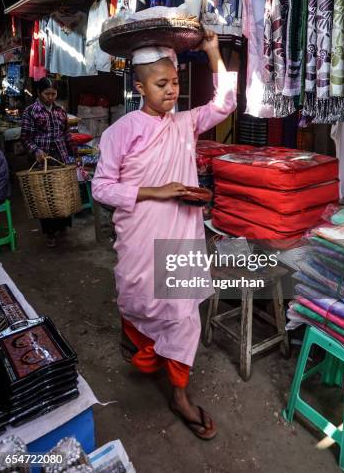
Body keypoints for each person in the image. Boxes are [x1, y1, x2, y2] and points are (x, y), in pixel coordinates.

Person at [92, 31, 237, 439]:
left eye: (174, 83)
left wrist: (211, 52)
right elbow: (101, 188)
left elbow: (225, 103)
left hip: (180, 234)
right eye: (161, 84)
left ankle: (179, 395)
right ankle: (139, 345)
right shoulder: (121, 131)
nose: (172, 91)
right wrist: (157, 191)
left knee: (183, 314)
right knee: (139, 299)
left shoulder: (186, 123)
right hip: (139, 235)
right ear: (139, 87)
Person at [21, 77, 75, 247]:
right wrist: (36, 150)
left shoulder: (60, 111)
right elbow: (25, 138)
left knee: (62, 194)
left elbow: (66, 135)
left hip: (60, 158)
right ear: (38, 93)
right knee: (46, 197)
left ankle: (63, 228)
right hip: (41, 160)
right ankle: (50, 233)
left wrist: (74, 153)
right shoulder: (31, 111)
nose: (51, 97)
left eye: (54, 93)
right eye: (47, 94)